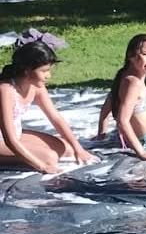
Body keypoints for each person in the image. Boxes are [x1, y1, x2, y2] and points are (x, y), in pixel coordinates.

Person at [0, 39, 96, 174]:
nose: (48, 76)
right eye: (44, 71)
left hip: (17, 134)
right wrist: (42, 166)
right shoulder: (6, 90)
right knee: (49, 157)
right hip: (6, 139)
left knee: (66, 148)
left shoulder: (36, 86)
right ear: (27, 71)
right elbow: (10, 140)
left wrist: (78, 148)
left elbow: (55, 118)